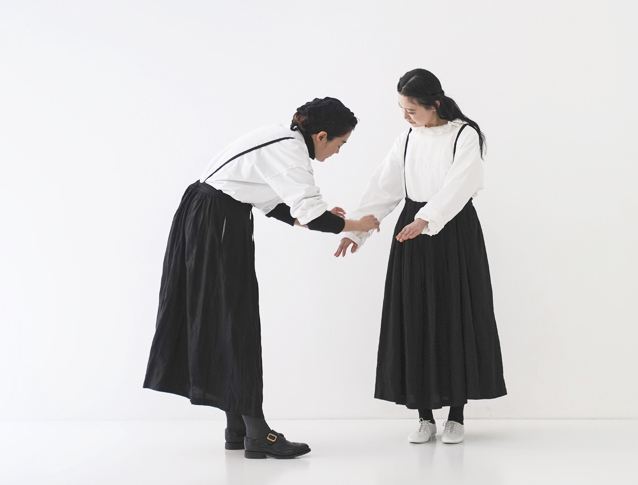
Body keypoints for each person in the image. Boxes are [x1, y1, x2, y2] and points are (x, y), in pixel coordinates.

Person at [144, 97, 379, 459]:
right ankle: (257, 433)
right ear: (321, 136)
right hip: (218, 222)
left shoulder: (281, 138)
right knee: (236, 324)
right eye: (340, 144)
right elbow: (313, 217)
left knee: (226, 321)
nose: (337, 152)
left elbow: (274, 205)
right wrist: (355, 224)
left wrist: (323, 218)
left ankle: (238, 427)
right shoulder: (291, 153)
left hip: (210, 216)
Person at [335, 69, 506, 444]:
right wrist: (357, 231)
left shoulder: (464, 134)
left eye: (411, 109)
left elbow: (463, 183)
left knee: (454, 314)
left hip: (453, 230)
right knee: (415, 315)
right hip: (412, 231)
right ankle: (424, 416)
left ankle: (456, 416)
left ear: (435, 104)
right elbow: (384, 187)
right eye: (401, 108)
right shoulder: (407, 138)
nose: (405, 116)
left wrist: (428, 218)